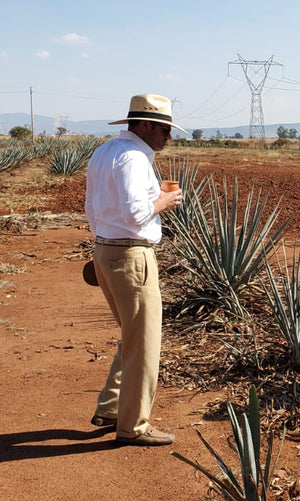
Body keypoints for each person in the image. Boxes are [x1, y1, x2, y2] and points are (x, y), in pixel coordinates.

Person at [84, 93, 185, 446]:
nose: (168, 137)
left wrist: (103, 243)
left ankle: (112, 407)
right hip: (132, 257)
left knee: (131, 334)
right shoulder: (133, 158)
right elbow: (135, 214)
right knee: (144, 343)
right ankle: (133, 426)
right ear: (143, 126)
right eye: (163, 129)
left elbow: (92, 208)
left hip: (106, 250)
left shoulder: (104, 152)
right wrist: (164, 201)